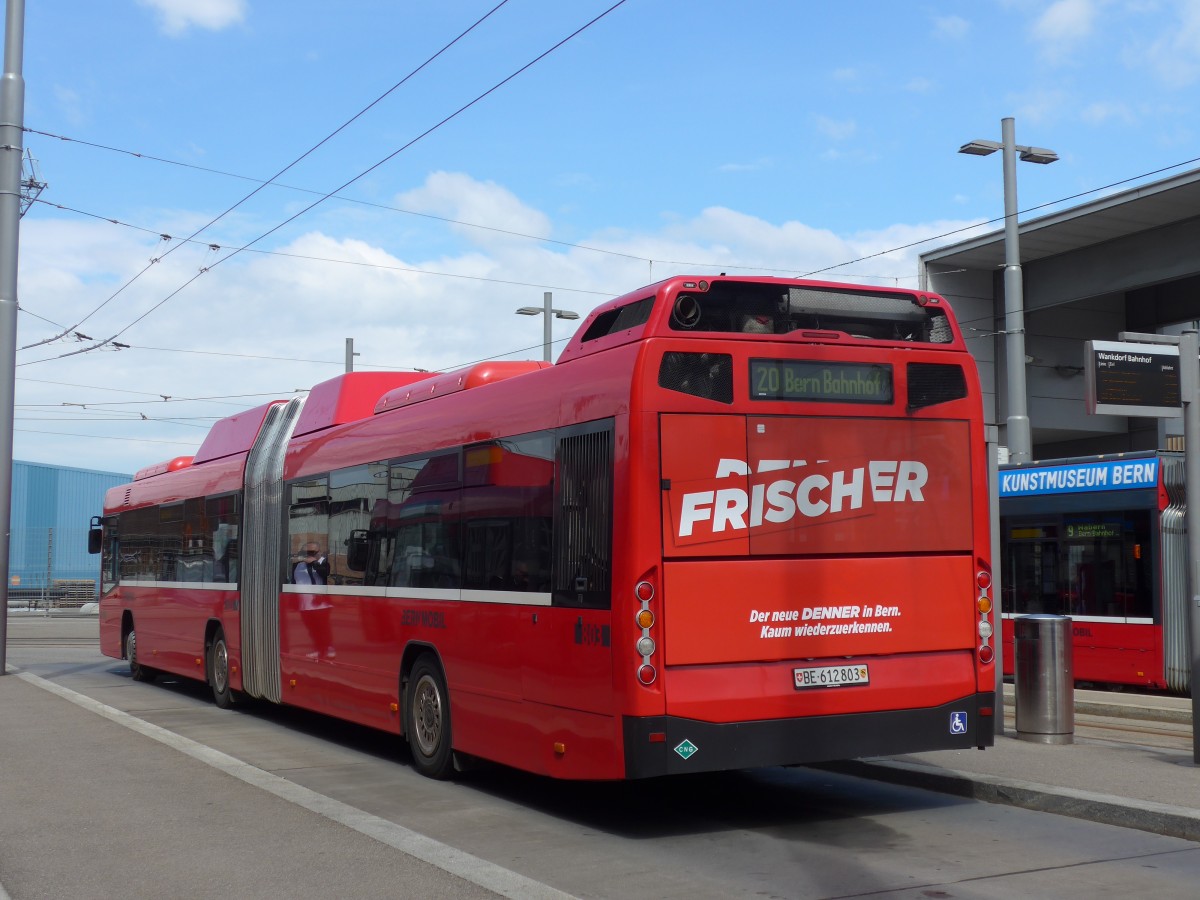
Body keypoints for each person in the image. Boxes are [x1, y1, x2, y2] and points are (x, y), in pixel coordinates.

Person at [293, 543, 334, 660]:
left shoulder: (323, 564)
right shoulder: (297, 566)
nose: (309, 555)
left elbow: (325, 573)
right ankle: (318, 649)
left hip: (320, 604)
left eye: (312, 552)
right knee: (312, 629)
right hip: (304, 604)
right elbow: (293, 582)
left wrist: (313, 563)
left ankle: (328, 649)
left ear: (319, 552)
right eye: (306, 552)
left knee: (323, 628)